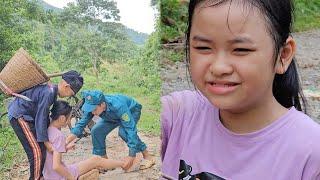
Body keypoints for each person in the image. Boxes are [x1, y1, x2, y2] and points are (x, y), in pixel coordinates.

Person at [160, 0, 320, 179]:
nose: (219, 68)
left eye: (241, 49)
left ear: (283, 55)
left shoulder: (311, 152)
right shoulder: (177, 116)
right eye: (203, 48)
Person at [8, 70, 83, 180]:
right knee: (36, 152)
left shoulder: (51, 91)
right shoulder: (49, 93)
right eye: (71, 94)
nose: (68, 97)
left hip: (27, 117)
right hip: (20, 116)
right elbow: (41, 118)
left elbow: (44, 117)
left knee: (39, 149)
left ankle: (40, 176)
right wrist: (47, 143)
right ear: (67, 86)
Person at [67, 90, 155, 171]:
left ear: (102, 104)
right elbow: (82, 122)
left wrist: (131, 155)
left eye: (94, 110)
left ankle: (147, 156)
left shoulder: (118, 106)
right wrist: (70, 137)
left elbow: (130, 129)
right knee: (96, 131)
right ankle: (103, 161)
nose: (92, 113)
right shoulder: (94, 106)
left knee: (124, 133)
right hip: (111, 115)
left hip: (131, 110)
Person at [43, 100, 124, 180]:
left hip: (49, 175)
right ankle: (124, 164)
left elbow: (52, 152)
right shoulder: (58, 136)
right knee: (96, 160)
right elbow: (56, 166)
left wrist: (65, 148)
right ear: (62, 118)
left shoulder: (47, 130)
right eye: (69, 118)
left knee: (93, 162)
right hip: (60, 175)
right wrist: (71, 178)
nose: (69, 121)